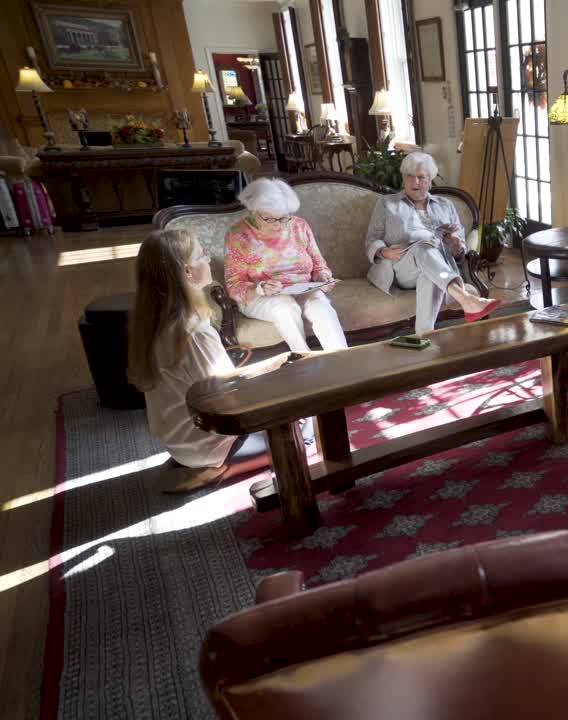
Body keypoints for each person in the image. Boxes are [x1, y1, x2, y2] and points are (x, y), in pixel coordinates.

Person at [128, 229, 299, 492]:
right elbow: (228, 397)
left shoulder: (152, 322)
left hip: (177, 441)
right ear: (187, 271)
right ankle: (220, 471)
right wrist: (276, 376)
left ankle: (198, 465)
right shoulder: (192, 330)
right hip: (207, 445)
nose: (208, 259)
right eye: (202, 255)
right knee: (305, 429)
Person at [365, 152, 500, 332]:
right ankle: (464, 298)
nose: (415, 182)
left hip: (437, 268)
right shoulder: (387, 204)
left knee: (429, 277)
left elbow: (459, 253)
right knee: (423, 246)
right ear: (403, 178)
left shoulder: (446, 205)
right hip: (401, 267)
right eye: (409, 176)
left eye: (421, 177)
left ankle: (425, 337)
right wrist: (384, 252)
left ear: (430, 179)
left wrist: (456, 246)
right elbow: (371, 239)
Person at [224, 178, 348, 353]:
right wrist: (261, 288)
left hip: (302, 289)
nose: (279, 226)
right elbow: (234, 286)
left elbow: (319, 266)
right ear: (253, 211)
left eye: (284, 218)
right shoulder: (237, 235)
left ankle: (344, 361)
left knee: (321, 306)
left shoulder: (299, 226)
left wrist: (323, 277)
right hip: (260, 296)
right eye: (270, 219)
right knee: (285, 307)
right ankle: (304, 361)